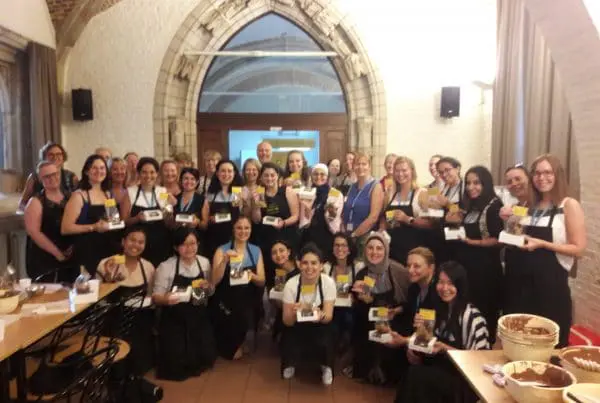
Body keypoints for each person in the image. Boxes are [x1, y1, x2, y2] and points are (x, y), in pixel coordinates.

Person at [511, 154, 585, 347]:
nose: (541, 178)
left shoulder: (568, 205)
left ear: (557, 175)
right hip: (524, 287)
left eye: (547, 172)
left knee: (550, 347)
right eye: (537, 173)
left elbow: (578, 249)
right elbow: (519, 235)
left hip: (552, 289)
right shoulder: (530, 205)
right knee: (523, 344)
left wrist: (543, 244)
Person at [395, 261, 489, 403]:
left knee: (418, 376)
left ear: (460, 285)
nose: (445, 288)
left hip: (463, 381)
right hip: (440, 370)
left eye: (451, 283)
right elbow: (430, 346)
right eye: (441, 282)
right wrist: (417, 340)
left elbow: (478, 362)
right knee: (413, 372)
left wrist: (445, 348)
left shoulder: (471, 316)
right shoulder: (437, 310)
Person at [152, 228, 216, 381]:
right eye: (184, 244)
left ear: (198, 244)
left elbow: (210, 291)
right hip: (175, 317)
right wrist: (166, 299)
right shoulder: (166, 267)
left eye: (193, 243)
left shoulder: (204, 263)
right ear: (176, 247)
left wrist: (208, 287)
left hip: (198, 314)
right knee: (174, 363)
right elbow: (156, 297)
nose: (189, 248)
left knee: (205, 355)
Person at [449, 166, 503, 342]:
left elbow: (499, 239)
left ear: (486, 183)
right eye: (468, 183)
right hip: (468, 268)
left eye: (476, 183)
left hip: (485, 270)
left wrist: (472, 242)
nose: (471, 187)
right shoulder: (471, 205)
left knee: (484, 313)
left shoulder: (494, 206)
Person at [348, 232, 409, 384]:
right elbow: (358, 307)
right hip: (370, 319)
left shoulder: (399, 271)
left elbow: (410, 302)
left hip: (395, 317)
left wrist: (396, 311)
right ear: (365, 251)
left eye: (379, 248)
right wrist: (362, 299)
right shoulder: (362, 273)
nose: (374, 252)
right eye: (370, 248)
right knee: (362, 327)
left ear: (386, 250)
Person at [96, 226, 156, 375]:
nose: (136, 245)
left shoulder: (148, 267)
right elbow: (97, 297)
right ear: (123, 241)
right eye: (132, 240)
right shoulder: (107, 263)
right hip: (113, 320)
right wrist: (109, 278)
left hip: (139, 321)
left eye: (141, 242)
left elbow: (150, 298)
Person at [281, 243, 336, 385]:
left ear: (321, 265)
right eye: (305, 263)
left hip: (320, 324)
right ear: (299, 264)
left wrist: (319, 315)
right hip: (297, 325)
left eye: (314, 263)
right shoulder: (291, 285)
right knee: (288, 334)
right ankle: (290, 363)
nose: (309, 267)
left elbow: (328, 316)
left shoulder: (328, 283)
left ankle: (326, 366)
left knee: (328, 334)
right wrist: (294, 314)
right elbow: (287, 321)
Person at [211, 216, 265, 360]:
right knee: (232, 354)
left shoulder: (256, 250)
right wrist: (224, 261)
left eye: (247, 228)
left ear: (251, 230)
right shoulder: (221, 250)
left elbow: (262, 281)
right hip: (226, 302)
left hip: (247, 301)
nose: (243, 231)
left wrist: (251, 276)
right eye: (239, 228)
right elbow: (214, 281)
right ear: (233, 230)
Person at [61, 154, 116, 276]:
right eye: (94, 168)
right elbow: (65, 228)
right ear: (86, 171)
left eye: (102, 168)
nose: (99, 171)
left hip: (106, 249)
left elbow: (114, 221)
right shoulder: (79, 196)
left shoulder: (108, 194)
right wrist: (93, 227)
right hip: (86, 251)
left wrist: (112, 224)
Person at [251, 162, 299, 289]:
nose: (269, 178)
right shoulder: (260, 193)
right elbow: (256, 220)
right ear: (261, 177)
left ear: (278, 176)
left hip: (286, 238)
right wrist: (255, 205)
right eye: (266, 175)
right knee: (272, 277)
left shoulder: (287, 191)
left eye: (272, 175)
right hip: (267, 240)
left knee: (290, 275)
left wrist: (284, 223)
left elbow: (295, 216)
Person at [24, 161, 75, 281]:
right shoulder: (35, 202)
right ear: (40, 179)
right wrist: (58, 254)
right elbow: (34, 232)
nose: (52, 178)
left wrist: (74, 247)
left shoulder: (71, 197)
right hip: (45, 257)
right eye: (47, 176)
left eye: (55, 174)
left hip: (70, 256)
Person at [120, 157, 175, 267]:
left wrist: (170, 208)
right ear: (138, 173)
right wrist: (137, 218)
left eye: (152, 172)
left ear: (157, 174)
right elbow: (123, 222)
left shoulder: (162, 192)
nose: (148, 176)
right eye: (144, 172)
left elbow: (169, 222)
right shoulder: (130, 192)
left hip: (161, 244)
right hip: (137, 246)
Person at [380, 156, 430, 265]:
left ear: (412, 171)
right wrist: (383, 229)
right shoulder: (390, 193)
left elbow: (430, 223)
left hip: (413, 251)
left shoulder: (421, 193)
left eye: (404, 170)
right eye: (397, 171)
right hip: (392, 249)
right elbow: (384, 217)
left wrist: (407, 219)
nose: (400, 174)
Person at [323, 233, 364, 351]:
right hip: (332, 307)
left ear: (349, 248)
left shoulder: (359, 267)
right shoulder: (326, 267)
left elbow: (365, 290)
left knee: (348, 319)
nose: (340, 248)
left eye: (344, 245)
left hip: (352, 308)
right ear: (332, 248)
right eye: (336, 245)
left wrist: (357, 294)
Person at [200, 159, 244, 259]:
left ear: (234, 173)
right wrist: (209, 219)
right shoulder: (210, 195)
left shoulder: (238, 193)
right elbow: (205, 221)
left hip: (233, 238)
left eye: (229, 171)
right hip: (213, 239)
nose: (226, 174)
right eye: (223, 171)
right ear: (217, 173)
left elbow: (239, 216)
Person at [342, 153, 384, 255]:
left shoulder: (375, 186)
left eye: (364, 164)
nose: (360, 167)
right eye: (357, 164)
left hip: (364, 238)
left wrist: (355, 234)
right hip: (348, 236)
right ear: (353, 167)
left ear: (369, 166)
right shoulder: (352, 186)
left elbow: (373, 217)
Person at [299, 163, 343, 258]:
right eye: (316, 174)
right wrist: (308, 209)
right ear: (312, 176)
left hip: (327, 234)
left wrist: (331, 212)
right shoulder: (306, 192)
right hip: (309, 235)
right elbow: (304, 221)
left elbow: (334, 219)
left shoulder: (336, 194)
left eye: (322, 174)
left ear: (327, 177)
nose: (319, 177)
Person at [19, 142, 78, 210]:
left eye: (59, 154)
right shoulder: (34, 178)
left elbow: (80, 201)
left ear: (63, 157)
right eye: (51, 155)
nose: (55, 157)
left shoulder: (72, 177)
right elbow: (22, 203)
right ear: (44, 157)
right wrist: (32, 211)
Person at [269, 240, 300, 340]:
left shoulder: (300, 268)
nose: (278, 255)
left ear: (289, 252)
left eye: (281, 250)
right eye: (274, 253)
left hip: (301, 312)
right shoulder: (276, 273)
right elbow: (277, 303)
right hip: (284, 313)